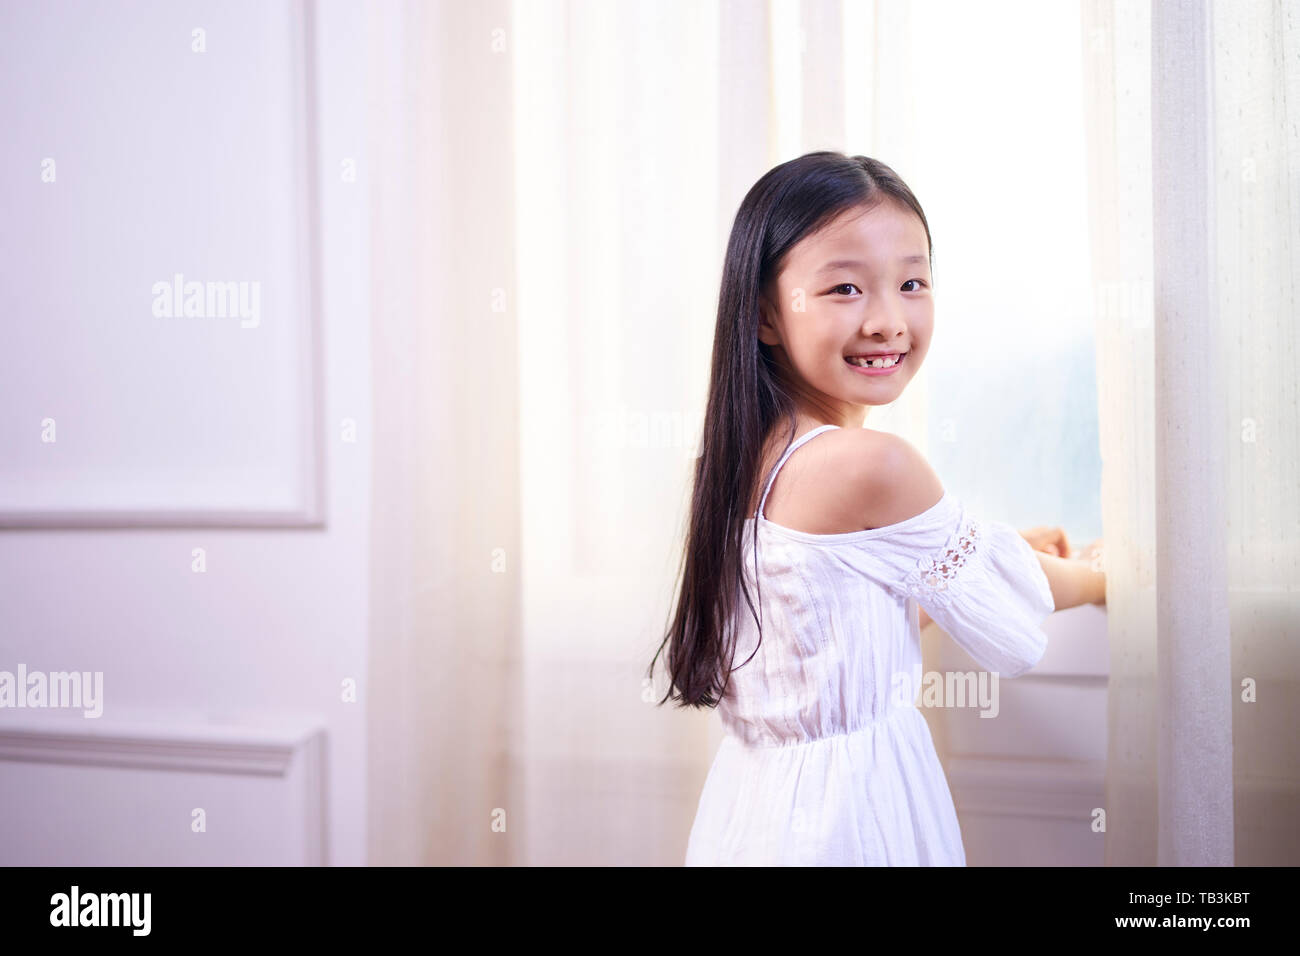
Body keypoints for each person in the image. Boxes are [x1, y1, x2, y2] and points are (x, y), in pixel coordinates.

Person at [648, 151, 1106, 866]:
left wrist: (977, 554)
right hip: (851, 818)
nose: (888, 320)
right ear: (767, 315)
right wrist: (1109, 574)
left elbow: (827, 626)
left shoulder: (734, 464)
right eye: (845, 289)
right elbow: (1011, 607)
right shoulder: (871, 465)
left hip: (752, 813)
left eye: (912, 282)